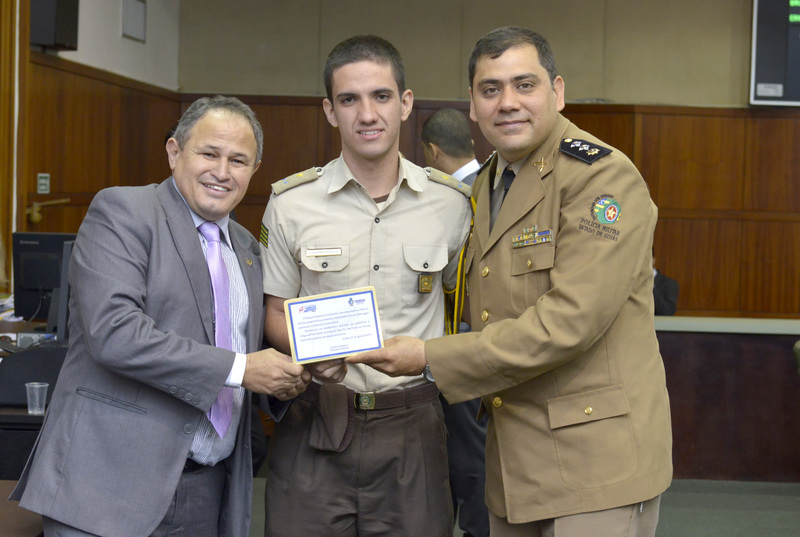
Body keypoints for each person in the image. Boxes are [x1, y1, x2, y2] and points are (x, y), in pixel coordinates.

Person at [348, 26, 673, 537]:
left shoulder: (600, 178)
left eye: (525, 85)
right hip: (513, 463)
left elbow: (570, 322)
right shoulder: (487, 182)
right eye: (490, 89)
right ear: (472, 105)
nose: (507, 103)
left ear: (557, 91)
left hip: (595, 466)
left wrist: (429, 356)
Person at [10, 95, 312, 537]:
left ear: (255, 169)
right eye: (209, 153)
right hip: (107, 488)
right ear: (174, 152)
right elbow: (115, 332)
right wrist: (244, 368)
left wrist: (297, 372)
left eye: (238, 160)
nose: (222, 172)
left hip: (207, 489)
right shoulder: (123, 212)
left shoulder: (248, 249)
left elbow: (245, 351)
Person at [259, 35, 472, 537]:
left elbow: (465, 311)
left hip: (413, 426)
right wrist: (312, 351)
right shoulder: (291, 204)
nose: (367, 114)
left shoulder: (452, 205)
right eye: (349, 99)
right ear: (330, 111)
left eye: (381, 96)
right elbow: (274, 312)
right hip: (318, 417)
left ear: (406, 103)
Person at [422, 108, 490, 537]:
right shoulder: (493, 184)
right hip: (480, 345)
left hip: (463, 346)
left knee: (471, 453)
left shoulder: (458, 197)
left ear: (432, 151)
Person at [422, 108, 481, 186]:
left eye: (424, 149)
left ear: (433, 152)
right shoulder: (491, 178)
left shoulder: (464, 192)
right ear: (472, 143)